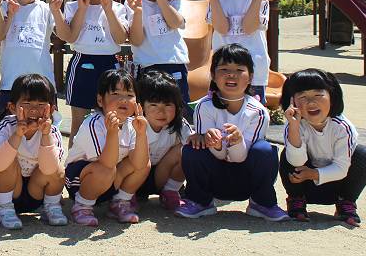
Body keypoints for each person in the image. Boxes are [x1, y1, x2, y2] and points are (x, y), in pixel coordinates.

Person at [176, 44, 289, 222]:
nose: (231, 74)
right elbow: (217, 155)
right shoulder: (204, 107)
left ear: (250, 77)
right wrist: (216, 145)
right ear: (213, 75)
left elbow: (240, 157)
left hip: (245, 178)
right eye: (224, 69)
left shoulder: (258, 112)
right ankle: (200, 201)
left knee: (265, 150)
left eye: (239, 70)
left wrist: (237, 141)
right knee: (193, 147)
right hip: (215, 178)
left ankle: (262, 203)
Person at [51, 0, 130, 143]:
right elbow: (70, 37)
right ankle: (74, 160)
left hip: (110, 64)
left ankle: (110, 156)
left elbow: (120, 38)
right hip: (82, 63)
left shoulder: (118, 8)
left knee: (112, 119)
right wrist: (81, 9)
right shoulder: (72, 6)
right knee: (79, 122)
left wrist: (108, 10)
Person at [280, 68, 366, 226]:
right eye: (302, 97)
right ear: (292, 102)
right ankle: (296, 199)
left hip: (337, 184)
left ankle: (346, 202)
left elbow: (341, 168)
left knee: (362, 154)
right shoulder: (294, 125)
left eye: (318, 95)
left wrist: (313, 174)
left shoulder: (342, 127)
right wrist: (294, 127)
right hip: (304, 183)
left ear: (332, 96)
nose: (311, 102)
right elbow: (296, 162)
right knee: (287, 153)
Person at [64, 69, 150, 225]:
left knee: (144, 163)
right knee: (105, 169)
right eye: (115, 94)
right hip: (80, 180)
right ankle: (82, 206)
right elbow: (107, 163)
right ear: (100, 100)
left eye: (129, 95)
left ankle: (119, 202)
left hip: (109, 176)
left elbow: (140, 164)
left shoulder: (132, 124)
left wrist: (141, 134)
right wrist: (112, 133)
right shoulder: (93, 123)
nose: (123, 100)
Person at [195, 0, 279, 102]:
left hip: (253, 70)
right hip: (222, 68)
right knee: (220, 109)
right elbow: (222, 28)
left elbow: (249, 28)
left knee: (252, 112)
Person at [0, 73, 67, 229]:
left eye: (41, 104)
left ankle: (52, 207)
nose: (34, 110)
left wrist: (45, 136)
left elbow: (50, 169)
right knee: (8, 161)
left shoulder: (52, 132)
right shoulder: (5, 126)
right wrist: (18, 135)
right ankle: (4, 210)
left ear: (51, 109)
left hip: (36, 193)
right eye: (27, 103)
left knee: (58, 168)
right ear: (12, 107)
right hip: (7, 190)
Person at [0, 0, 56, 123]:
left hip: (42, 85)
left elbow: (66, 36)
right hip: (10, 85)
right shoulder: (2, 7)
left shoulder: (46, 9)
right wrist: (9, 14)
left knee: (44, 130)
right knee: (6, 130)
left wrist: (57, 11)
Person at [126, 0, 193, 105]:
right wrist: (138, 12)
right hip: (147, 66)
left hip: (174, 64)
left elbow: (175, 23)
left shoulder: (174, 3)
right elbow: (136, 40)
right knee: (149, 109)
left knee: (178, 109)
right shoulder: (134, 3)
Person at [136, 70, 192, 211]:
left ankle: (170, 191)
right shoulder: (133, 125)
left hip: (161, 177)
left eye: (167, 105)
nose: (161, 111)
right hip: (133, 177)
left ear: (177, 106)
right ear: (141, 106)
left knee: (187, 149)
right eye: (154, 105)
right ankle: (124, 196)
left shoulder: (180, 125)